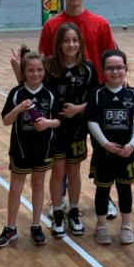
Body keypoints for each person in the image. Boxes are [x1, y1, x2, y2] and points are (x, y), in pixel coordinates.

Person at [11, 0, 119, 218]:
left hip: (93, 100)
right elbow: (41, 66)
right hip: (61, 105)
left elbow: (110, 61)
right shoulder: (51, 25)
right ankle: (59, 200)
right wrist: (21, 75)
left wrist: (115, 91)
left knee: (103, 152)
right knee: (61, 160)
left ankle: (105, 197)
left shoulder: (100, 23)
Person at [0, 48, 61, 248]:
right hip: (20, 149)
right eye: (31, 70)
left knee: (38, 185)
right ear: (24, 71)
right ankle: (10, 228)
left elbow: (59, 120)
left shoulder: (50, 93)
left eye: (39, 70)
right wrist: (18, 108)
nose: (35, 74)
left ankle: (36, 225)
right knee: (15, 188)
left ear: (44, 71)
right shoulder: (17, 93)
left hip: (43, 149)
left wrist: (47, 123)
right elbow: (6, 121)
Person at [85, 49, 134, 245]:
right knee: (102, 190)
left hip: (126, 153)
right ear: (103, 71)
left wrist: (132, 144)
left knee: (124, 188)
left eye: (119, 67)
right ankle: (101, 226)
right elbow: (91, 121)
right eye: (110, 68)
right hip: (104, 154)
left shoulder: (132, 94)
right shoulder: (97, 94)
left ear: (126, 69)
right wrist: (105, 143)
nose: (115, 72)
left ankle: (127, 225)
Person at [44, 22, 97, 238]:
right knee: (58, 172)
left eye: (75, 40)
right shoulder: (49, 67)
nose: (71, 44)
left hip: (77, 130)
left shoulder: (88, 69)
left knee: (74, 172)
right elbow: (36, 92)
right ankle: (58, 213)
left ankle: (74, 212)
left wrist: (77, 109)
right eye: (66, 40)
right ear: (59, 43)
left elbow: (95, 99)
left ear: (80, 43)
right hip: (55, 130)